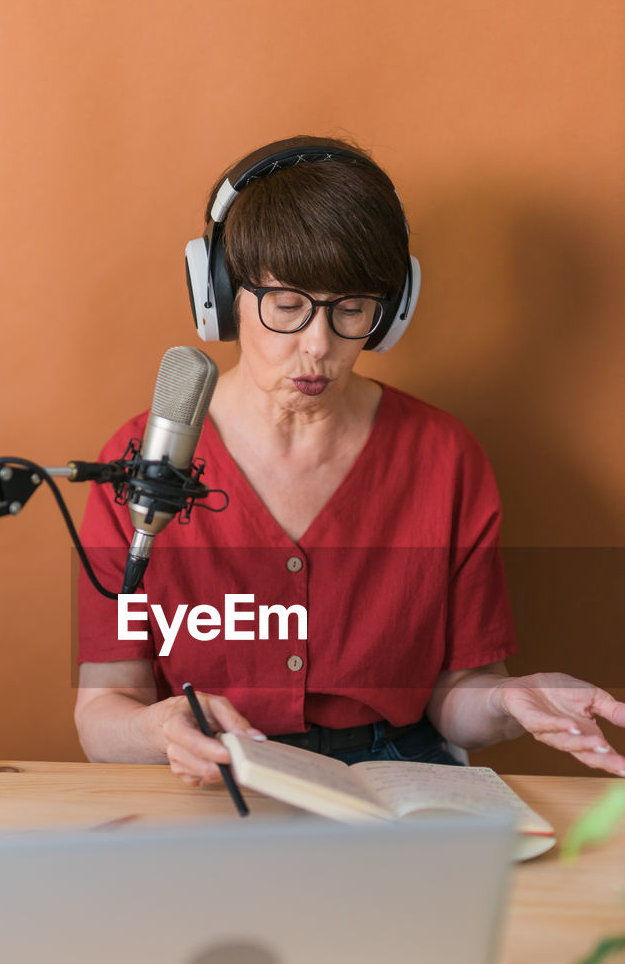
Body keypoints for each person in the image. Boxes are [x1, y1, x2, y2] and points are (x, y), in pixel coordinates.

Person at [74, 135, 625, 786]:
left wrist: (505, 701)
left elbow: (456, 699)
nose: (317, 346)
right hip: (220, 774)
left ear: (388, 312)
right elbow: (102, 706)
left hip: (399, 771)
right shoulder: (143, 460)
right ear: (219, 295)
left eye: (351, 309)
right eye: (286, 305)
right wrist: (156, 730)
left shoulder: (444, 456)